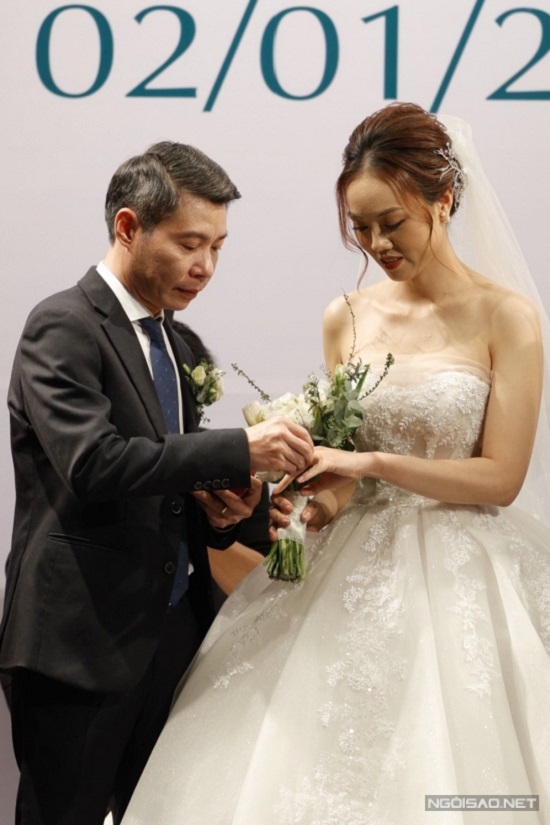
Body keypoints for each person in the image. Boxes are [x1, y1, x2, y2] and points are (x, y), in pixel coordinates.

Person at [120, 105, 550, 825]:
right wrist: (318, 502)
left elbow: (501, 478)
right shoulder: (346, 315)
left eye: (392, 222)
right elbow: (345, 473)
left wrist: (371, 459)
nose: (376, 243)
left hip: (462, 570)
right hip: (346, 563)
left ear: (444, 199)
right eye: (360, 226)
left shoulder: (506, 316)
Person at [0, 141, 314, 825]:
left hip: (174, 636)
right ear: (128, 226)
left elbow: (172, 486)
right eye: (189, 243)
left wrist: (238, 509)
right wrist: (237, 448)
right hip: (80, 642)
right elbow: (94, 463)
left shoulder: (180, 342)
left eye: (219, 247)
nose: (206, 267)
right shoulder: (62, 325)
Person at [170, 318, 271, 608]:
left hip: (195, 620)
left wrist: (202, 527)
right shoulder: (105, 462)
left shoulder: (231, 465)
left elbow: (259, 585)